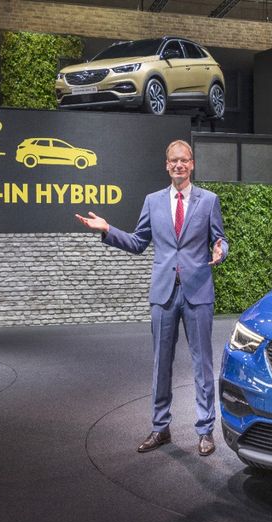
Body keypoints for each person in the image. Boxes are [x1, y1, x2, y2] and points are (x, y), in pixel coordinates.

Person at [75, 139, 228, 456]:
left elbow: (219, 238)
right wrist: (107, 229)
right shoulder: (152, 201)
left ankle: (205, 431)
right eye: (173, 160)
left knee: (202, 364)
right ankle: (160, 428)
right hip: (163, 293)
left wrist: (221, 249)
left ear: (192, 164)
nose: (178, 165)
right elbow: (137, 242)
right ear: (167, 165)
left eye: (184, 160)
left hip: (198, 291)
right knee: (161, 363)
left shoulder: (209, 200)